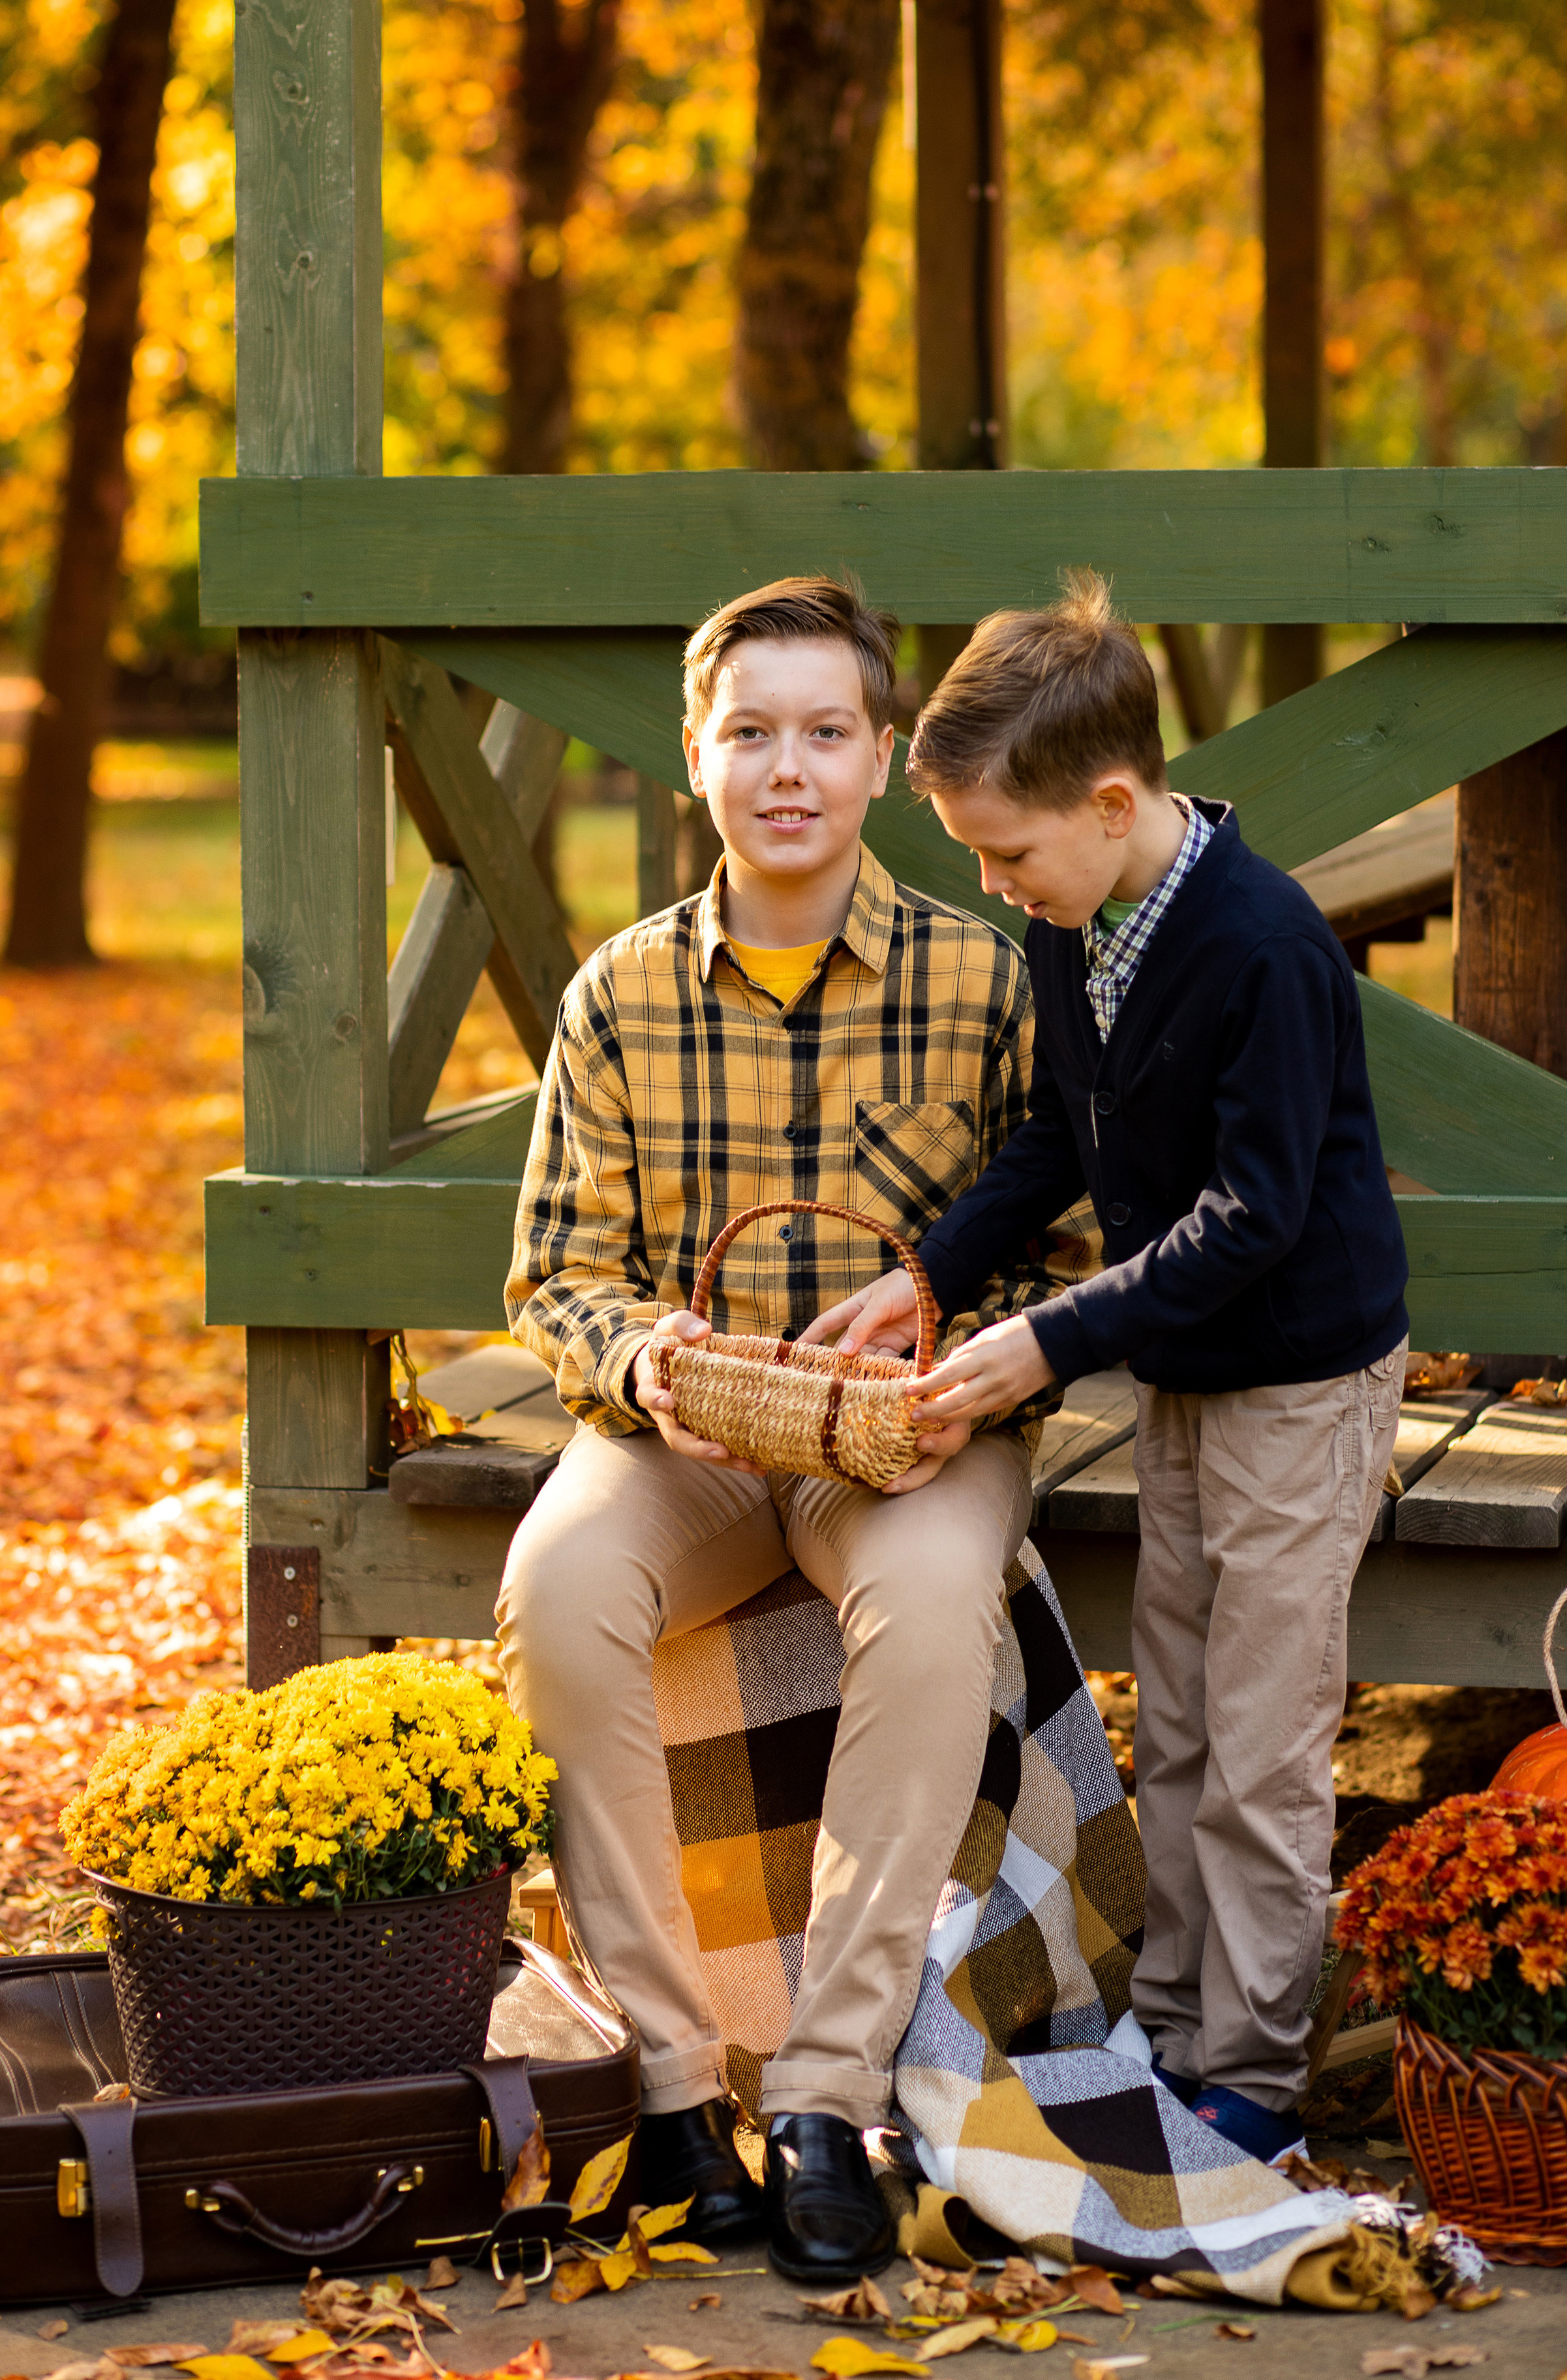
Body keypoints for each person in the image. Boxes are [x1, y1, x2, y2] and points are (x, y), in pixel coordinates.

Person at [497, 575, 1084, 2281]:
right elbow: (553, 1273)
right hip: (693, 1438)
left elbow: (1062, 1236)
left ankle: (830, 2094)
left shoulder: (986, 982)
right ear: (696, 758)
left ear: (884, 757)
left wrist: (957, 1374)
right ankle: (679, 2097)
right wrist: (648, 1365)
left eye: (826, 731)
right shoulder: (618, 997)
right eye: (750, 732)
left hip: (911, 1434)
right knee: (557, 1594)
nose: (788, 768)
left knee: (924, 1614)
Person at [810, 571, 1408, 2167]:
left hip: (1295, 1378)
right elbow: (1052, 1142)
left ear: (1113, 799)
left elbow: (1253, 1215)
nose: (996, 886)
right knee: (1189, 1718)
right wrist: (928, 1275)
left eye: (1006, 853)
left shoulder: (1263, 945)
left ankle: (1256, 2079)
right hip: (1183, 1378)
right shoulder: (1077, 924)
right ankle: (1175, 2022)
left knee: (1267, 1741)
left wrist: (1042, 1342)